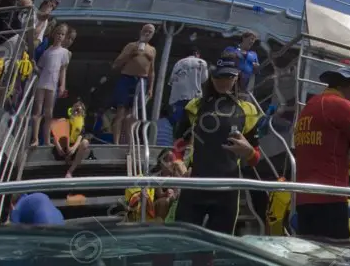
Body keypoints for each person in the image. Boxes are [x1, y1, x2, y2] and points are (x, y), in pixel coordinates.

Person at [173, 51, 260, 235]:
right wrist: (178, 162)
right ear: (211, 77)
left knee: (216, 248)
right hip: (195, 185)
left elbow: (255, 159)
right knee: (180, 240)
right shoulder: (194, 106)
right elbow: (178, 145)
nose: (222, 81)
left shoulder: (249, 111)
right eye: (218, 76)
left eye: (228, 76)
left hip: (227, 190)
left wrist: (249, 153)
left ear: (237, 76)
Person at [292, 65, 350, 240]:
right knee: (334, 259)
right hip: (331, 199)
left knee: (309, 255)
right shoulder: (343, 106)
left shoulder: (308, 108)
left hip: (303, 199)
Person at [0, 194, 64, 266]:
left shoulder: (17, 208)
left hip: (43, 227)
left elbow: (16, 233)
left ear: (11, 204)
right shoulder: (34, 199)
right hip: (61, 225)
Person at [111, 23, 156, 146]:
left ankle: (130, 143)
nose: (147, 33)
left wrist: (151, 88)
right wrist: (130, 55)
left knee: (133, 114)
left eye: (150, 32)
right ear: (141, 31)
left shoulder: (152, 50)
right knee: (121, 111)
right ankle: (116, 142)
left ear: (152, 35)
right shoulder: (131, 46)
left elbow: (152, 71)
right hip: (127, 78)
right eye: (145, 30)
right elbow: (116, 63)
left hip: (142, 81)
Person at [33, 23, 71, 147]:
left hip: (53, 84)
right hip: (42, 83)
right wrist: (33, 66)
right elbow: (40, 68)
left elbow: (63, 70)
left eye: (62, 34)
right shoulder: (47, 51)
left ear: (65, 37)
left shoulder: (64, 52)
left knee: (49, 113)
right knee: (37, 111)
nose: (60, 36)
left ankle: (47, 140)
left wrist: (62, 85)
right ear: (54, 34)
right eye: (58, 33)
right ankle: (35, 139)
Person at [167, 46, 208, 127]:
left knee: (176, 122)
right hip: (194, 97)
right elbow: (204, 79)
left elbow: (171, 81)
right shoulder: (201, 62)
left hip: (178, 97)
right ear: (197, 54)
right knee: (192, 123)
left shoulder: (178, 63)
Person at [50, 99, 91, 177]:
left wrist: (72, 149)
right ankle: (66, 158)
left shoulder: (81, 126)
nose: (76, 112)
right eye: (75, 109)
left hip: (73, 151)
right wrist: (60, 149)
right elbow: (55, 137)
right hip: (62, 150)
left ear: (82, 114)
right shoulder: (65, 120)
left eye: (78, 111)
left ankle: (70, 171)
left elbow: (79, 140)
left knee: (85, 143)